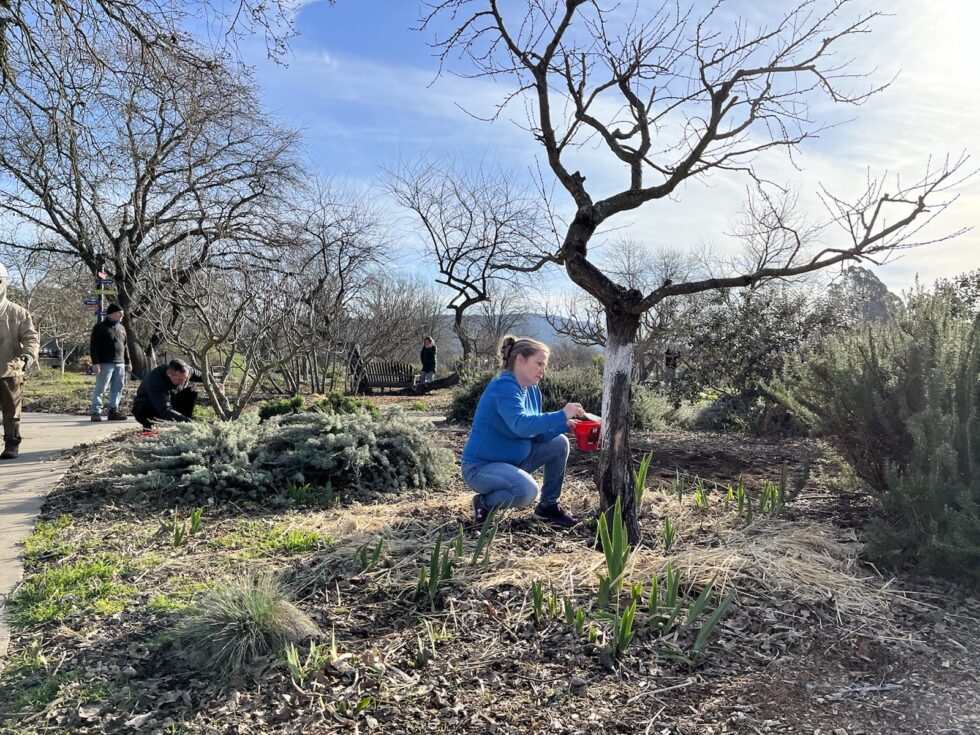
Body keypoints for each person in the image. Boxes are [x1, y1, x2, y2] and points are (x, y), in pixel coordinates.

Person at [460, 335, 586, 527]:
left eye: (544, 365)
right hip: (481, 468)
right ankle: (484, 503)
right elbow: (521, 424)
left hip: (514, 462)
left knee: (560, 443)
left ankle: (548, 506)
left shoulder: (532, 390)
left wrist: (566, 424)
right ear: (519, 359)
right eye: (539, 363)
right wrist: (561, 414)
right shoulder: (503, 387)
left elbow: (535, 433)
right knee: (527, 491)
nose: (543, 370)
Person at [0, 263, 40, 460]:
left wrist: (28, 356)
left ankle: (11, 444)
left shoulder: (17, 313)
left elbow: (31, 337)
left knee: (11, 411)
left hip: (10, 370)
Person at [89, 303, 131, 421]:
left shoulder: (122, 328)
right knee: (101, 387)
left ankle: (113, 410)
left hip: (120, 363)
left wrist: (128, 362)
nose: (122, 315)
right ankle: (96, 411)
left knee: (118, 387)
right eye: (119, 313)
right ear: (111, 313)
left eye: (122, 313)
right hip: (105, 363)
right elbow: (94, 346)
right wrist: (95, 363)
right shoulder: (100, 327)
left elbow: (125, 346)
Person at [132, 358, 204, 429]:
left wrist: (213, 383)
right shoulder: (156, 381)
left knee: (190, 392)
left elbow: (205, 377)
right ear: (169, 374)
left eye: (185, 379)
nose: (183, 382)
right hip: (147, 408)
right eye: (179, 379)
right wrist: (190, 422)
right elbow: (165, 409)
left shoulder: (187, 370)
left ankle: (183, 425)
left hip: (169, 401)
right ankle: (148, 428)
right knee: (145, 410)